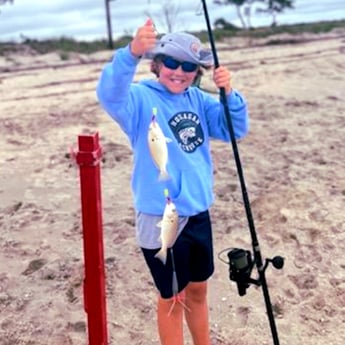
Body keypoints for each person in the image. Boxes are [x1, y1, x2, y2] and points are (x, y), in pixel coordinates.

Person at [96, 18, 249, 345]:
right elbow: (109, 93)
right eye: (171, 63)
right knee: (172, 298)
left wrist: (228, 93)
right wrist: (131, 52)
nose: (178, 72)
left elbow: (233, 129)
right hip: (161, 216)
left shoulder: (199, 100)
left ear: (197, 72)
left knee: (198, 289)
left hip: (198, 212)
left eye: (188, 67)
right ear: (157, 64)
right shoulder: (137, 101)